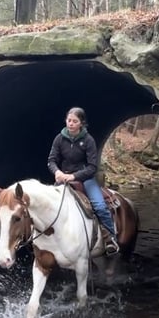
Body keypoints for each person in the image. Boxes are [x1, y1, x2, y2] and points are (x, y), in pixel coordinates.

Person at [47, 107, 120, 255]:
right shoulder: (59, 138)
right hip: (63, 177)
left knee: (99, 206)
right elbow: (51, 160)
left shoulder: (88, 140)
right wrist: (57, 172)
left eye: (75, 121)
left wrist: (75, 176)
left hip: (85, 178)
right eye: (69, 120)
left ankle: (110, 239)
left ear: (81, 123)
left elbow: (93, 167)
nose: (71, 124)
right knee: (48, 206)